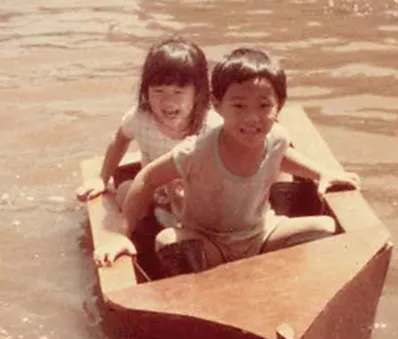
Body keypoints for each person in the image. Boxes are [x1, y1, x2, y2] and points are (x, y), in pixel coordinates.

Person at [94, 47, 360, 274]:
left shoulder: (277, 137)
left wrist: (322, 172)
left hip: (262, 233)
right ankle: (208, 290)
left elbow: (282, 156)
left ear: (280, 105)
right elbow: (148, 178)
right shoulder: (198, 150)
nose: (252, 118)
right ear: (217, 106)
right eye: (239, 106)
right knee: (169, 243)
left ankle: (268, 275)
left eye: (264, 106)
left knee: (325, 227)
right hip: (209, 242)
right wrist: (121, 234)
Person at [75, 36, 214, 225]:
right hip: (152, 190)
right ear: (146, 91)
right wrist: (102, 178)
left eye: (178, 92)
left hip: (193, 196)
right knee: (125, 191)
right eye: (158, 91)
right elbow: (119, 141)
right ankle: (154, 216)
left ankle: (171, 222)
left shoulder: (211, 126)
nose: (167, 101)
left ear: (198, 93)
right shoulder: (141, 118)